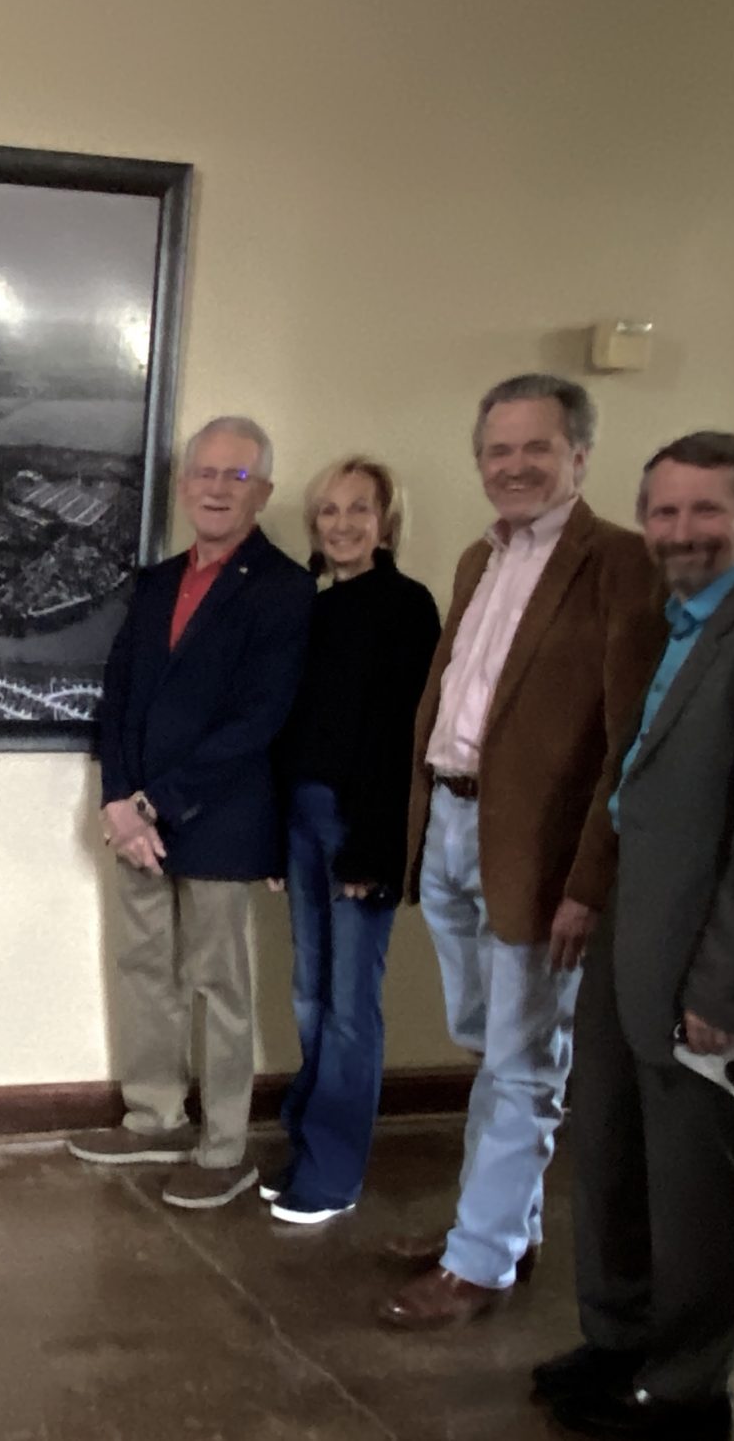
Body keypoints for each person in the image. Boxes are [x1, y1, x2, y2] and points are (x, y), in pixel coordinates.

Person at [537, 433, 734, 1439]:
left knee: (697, 1184)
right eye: (662, 512)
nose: (679, 531)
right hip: (630, 939)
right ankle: (615, 1342)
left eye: (705, 511)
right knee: (609, 1149)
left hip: (699, 967)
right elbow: (639, 787)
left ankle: (685, 1389)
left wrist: (724, 992)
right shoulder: (679, 624)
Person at [378, 374, 664, 1330]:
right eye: (497, 451)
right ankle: (505, 1224)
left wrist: (591, 880)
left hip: (538, 857)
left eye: (535, 448)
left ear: (580, 456)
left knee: (522, 1061)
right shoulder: (478, 559)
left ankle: (481, 1259)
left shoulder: (621, 565)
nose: (514, 467)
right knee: (490, 1041)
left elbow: (629, 744)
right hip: (457, 831)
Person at [69, 416, 315, 1209]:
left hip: (219, 819)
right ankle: (154, 1118)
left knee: (218, 985)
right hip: (134, 821)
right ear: (184, 486)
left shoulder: (282, 587)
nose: (215, 488)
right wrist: (117, 799)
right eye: (204, 474)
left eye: (235, 477)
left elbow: (259, 718)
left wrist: (153, 801)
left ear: (263, 492)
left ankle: (224, 1146)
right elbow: (121, 700)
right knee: (143, 968)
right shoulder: (157, 582)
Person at [265, 457, 440, 1226]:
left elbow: (403, 738)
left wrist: (378, 851)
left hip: (358, 827)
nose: (342, 524)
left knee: (348, 1006)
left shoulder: (407, 608)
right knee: (309, 991)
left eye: (359, 510)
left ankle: (334, 1174)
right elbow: (289, 730)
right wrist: (275, 837)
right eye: (329, 511)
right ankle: (309, 1140)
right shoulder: (310, 606)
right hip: (300, 820)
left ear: (386, 521)